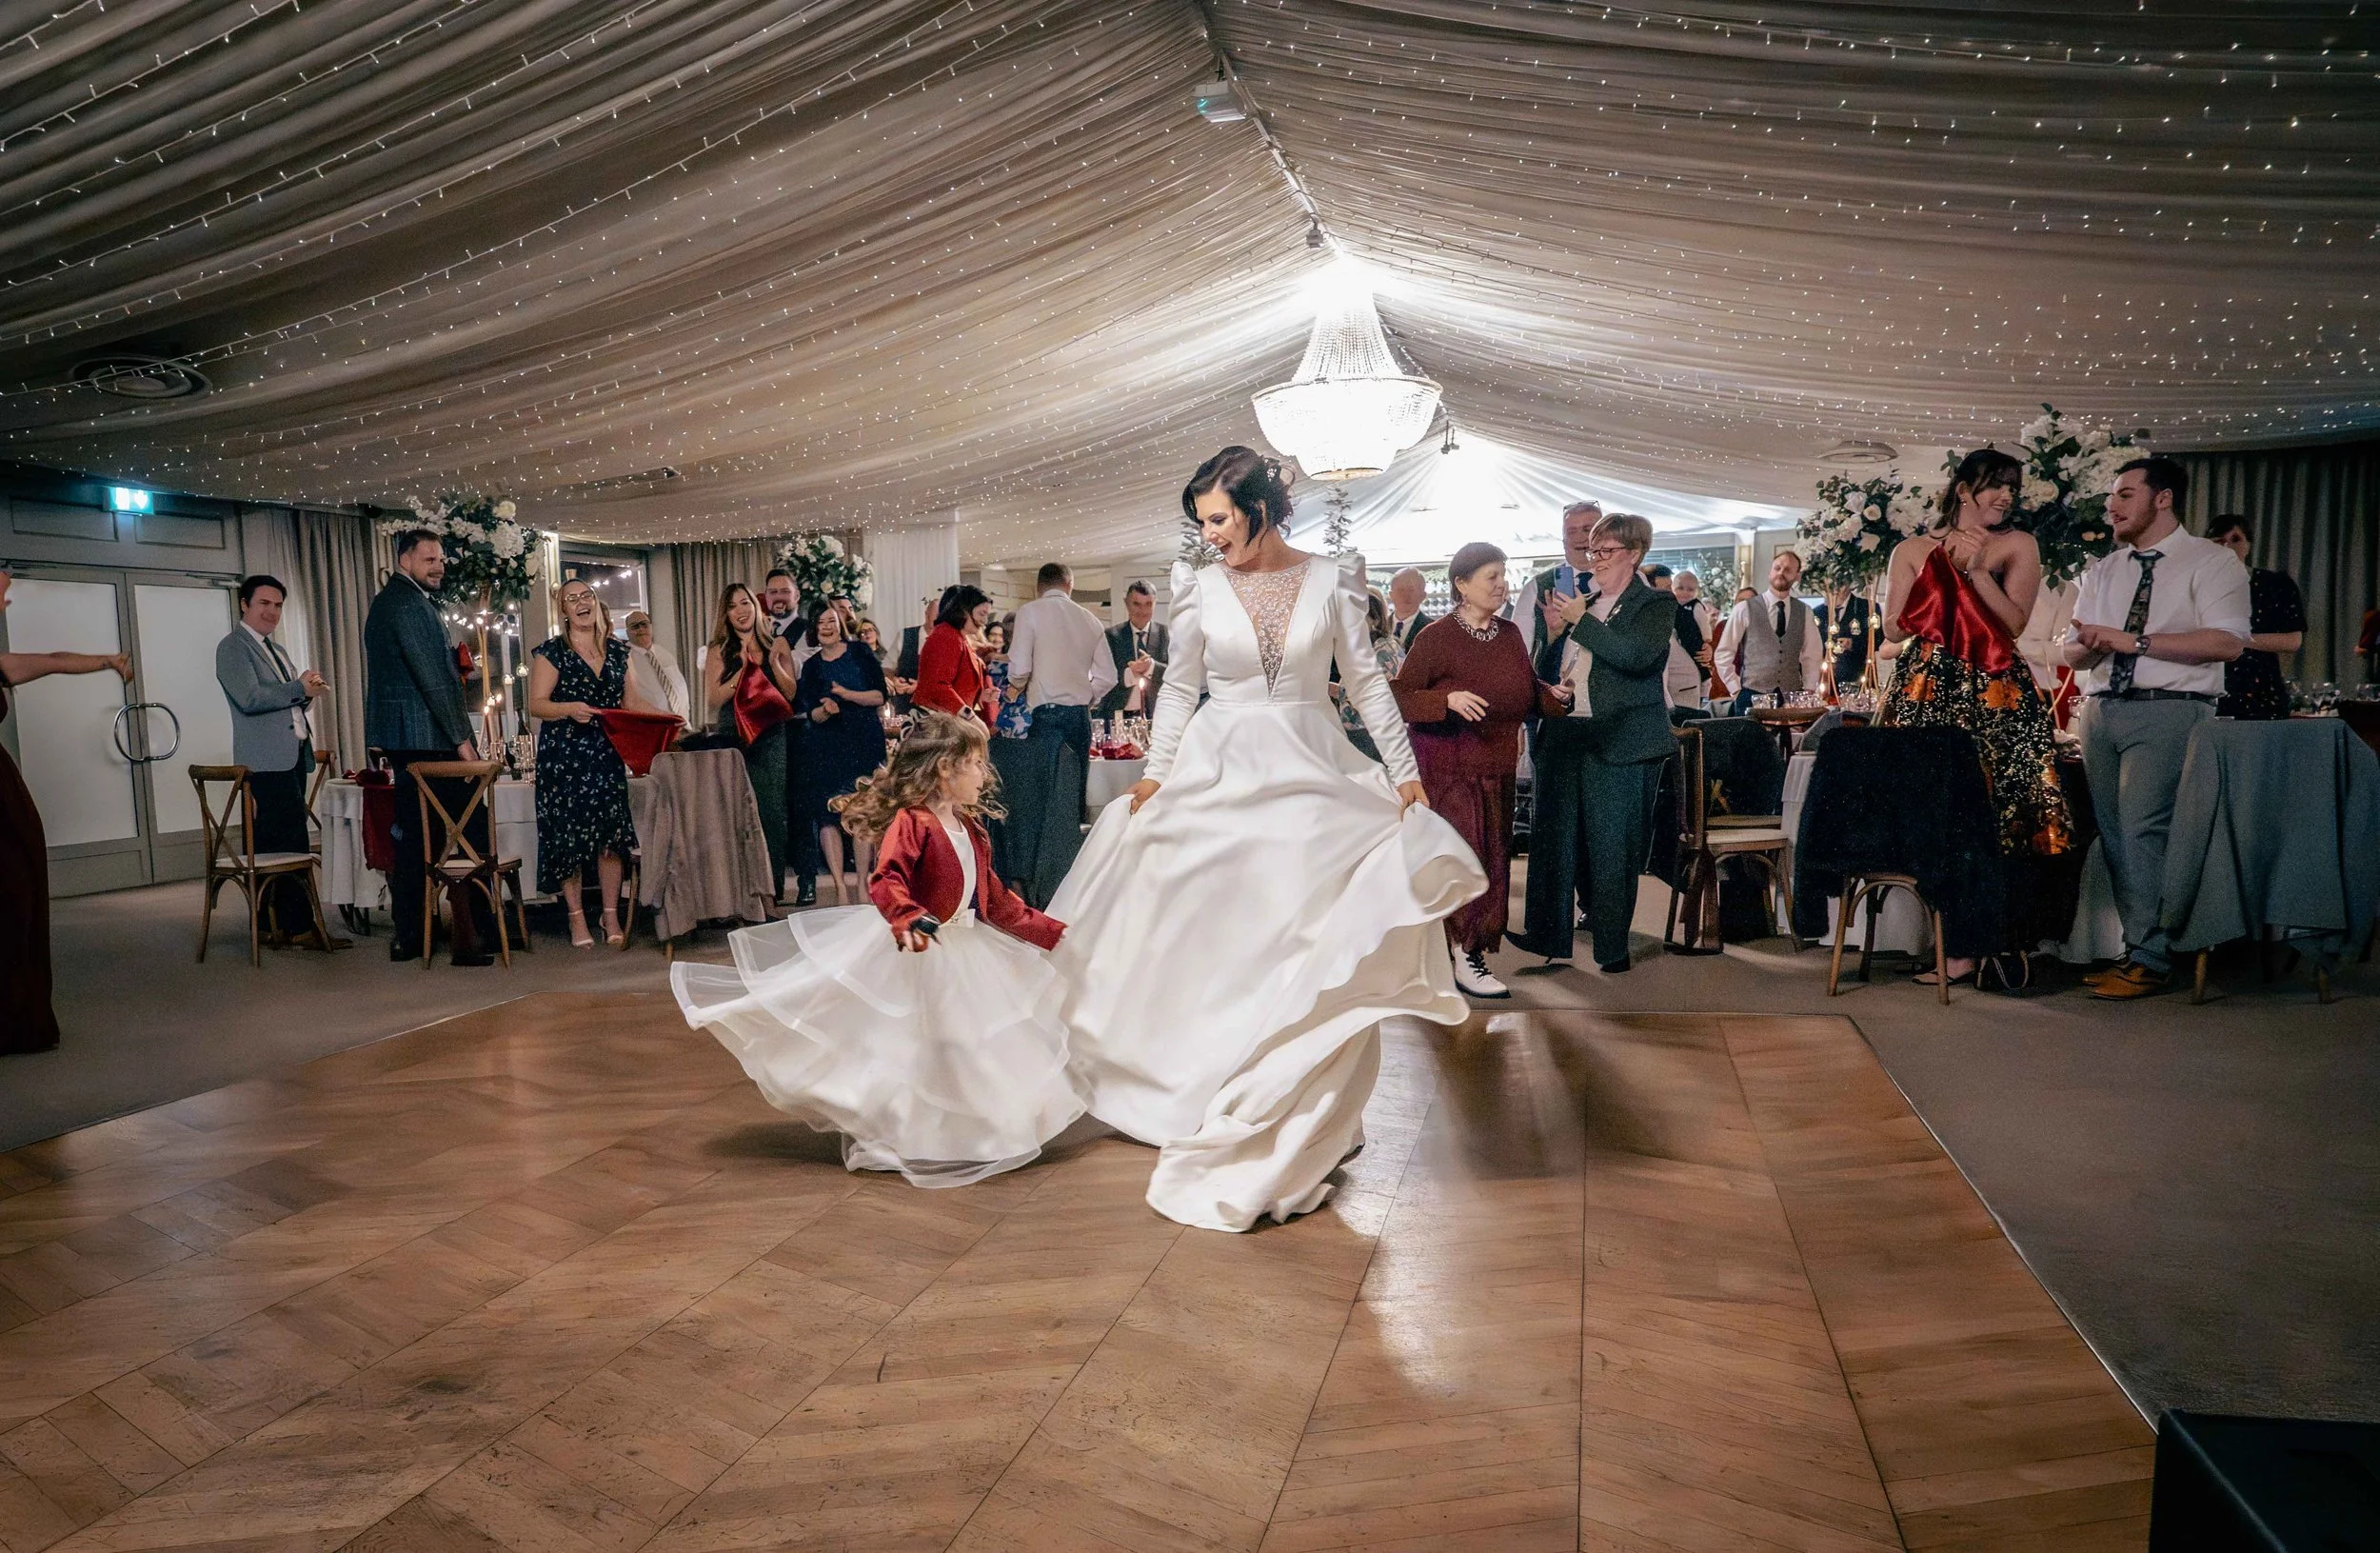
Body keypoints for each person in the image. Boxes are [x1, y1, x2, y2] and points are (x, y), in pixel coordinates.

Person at [1051, 446, 1486, 1232]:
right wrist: (1155, 774)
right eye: (1200, 522)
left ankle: (1298, 1101)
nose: (1209, 533)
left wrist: (1402, 774)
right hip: (1218, 768)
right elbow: (1180, 688)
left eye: (1217, 518)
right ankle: (1194, 1085)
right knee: (1215, 935)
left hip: (1313, 770)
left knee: (1299, 937)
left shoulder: (1331, 578)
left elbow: (1363, 684)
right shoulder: (1197, 587)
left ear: (1259, 507)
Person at [671, 712, 1081, 1186]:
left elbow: (997, 902)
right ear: (944, 768)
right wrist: (907, 917)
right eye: (974, 764)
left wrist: (1052, 932)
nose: (983, 775)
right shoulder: (914, 823)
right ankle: (906, 1133)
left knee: (964, 1046)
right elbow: (887, 880)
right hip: (922, 948)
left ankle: (973, 1132)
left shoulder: (971, 829)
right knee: (921, 1045)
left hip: (965, 950)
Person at [1875, 448, 2076, 990]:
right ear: (1964, 489)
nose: (2006, 496)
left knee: (1995, 816)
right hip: (1926, 686)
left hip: (1996, 690)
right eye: (1995, 485)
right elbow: (1894, 630)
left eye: (2012, 487)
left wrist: (1977, 573)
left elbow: (2012, 623)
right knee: (1934, 815)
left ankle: (1983, 943)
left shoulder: (2018, 545)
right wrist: (1935, 574)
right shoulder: (1912, 549)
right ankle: (1948, 941)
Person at [2064, 457, 2250, 999]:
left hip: (2170, 707)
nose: (2112, 507)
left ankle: (2154, 956)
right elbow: (2077, 651)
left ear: (2162, 498)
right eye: (2111, 498)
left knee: (2147, 829)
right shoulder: (2105, 569)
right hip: (2101, 709)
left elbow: (2228, 642)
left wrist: (2134, 642)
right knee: (2118, 835)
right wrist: (2082, 645)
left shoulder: (2211, 563)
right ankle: (2138, 948)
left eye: (2124, 495)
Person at [1393, 542, 1571, 998]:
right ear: (1461, 585)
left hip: (1497, 768)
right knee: (1463, 859)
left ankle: (1466, 952)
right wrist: (1445, 700)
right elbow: (1397, 696)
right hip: (1449, 768)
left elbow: (1525, 690)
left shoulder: (1510, 634)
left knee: (1492, 861)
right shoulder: (1434, 638)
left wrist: (1554, 697)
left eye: (1503, 574)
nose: (1501, 584)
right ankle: (1463, 955)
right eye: (1491, 576)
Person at [1509, 513, 1677, 973]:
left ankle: (1611, 947)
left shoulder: (1655, 606)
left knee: (1611, 847)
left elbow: (1637, 659)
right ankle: (1545, 934)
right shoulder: (1582, 604)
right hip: (1565, 732)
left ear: (1635, 554)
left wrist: (1581, 624)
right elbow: (1544, 671)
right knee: (1554, 841)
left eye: (1605, 551)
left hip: (1622, 740)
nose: (1595, 560)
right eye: (1592, 551)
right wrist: (1556, 642)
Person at [2, 564, 133, 1054]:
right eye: (4, 592)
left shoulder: (0, 662)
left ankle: (16, 1018)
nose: (7, 601)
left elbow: (55, 659)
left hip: (4, 796)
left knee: (19, 898)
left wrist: (105, 661)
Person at [365, 528, 496, 964]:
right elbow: (434, 680)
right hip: (429, 739)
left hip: (405, 738)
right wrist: (463, 740)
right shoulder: (410, 605)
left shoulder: (388, 603)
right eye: (429, 559)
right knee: (469, 831)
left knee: (416, 838)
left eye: (441, 559)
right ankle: (473, 936)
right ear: (405, 561)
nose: (439, 566)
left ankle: (413, 935)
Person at [215, 574, 343, 948]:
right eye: (264, 604)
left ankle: (276, 924)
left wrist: (306, 692)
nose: (272, 612)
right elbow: (250, 698)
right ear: (244, 604)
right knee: (287, 844)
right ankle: (297, 925)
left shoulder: (278, 650)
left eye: (278, 605)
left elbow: (285, 701)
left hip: (290, 755)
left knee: (284, 842)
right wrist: (296, 689)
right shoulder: (233, 647)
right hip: (264, 760)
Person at [528, 578, 641, 947]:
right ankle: (576, 918)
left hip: (606, 754)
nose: (580, 602)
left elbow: (633, 704)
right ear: (563, 611)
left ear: (595, 603)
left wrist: (672, 723)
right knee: (569, 840)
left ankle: (610, 915)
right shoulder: (552, 652)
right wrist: (568, 709)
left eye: (586, 596)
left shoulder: (619, 651)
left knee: (610, 837)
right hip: (563, 757)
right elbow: (537, 704)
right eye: (571, 599)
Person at [705, 582, 803, 906]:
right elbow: (713, 698)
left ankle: (770, 891)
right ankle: (736, 892)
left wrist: (772, 664)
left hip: (770, 735)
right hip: (731, 735)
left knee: (770, 812)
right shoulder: (718, 650)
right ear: (726, 614)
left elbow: (790, 694)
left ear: (755, 605)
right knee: (733, 812)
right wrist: (742, 673)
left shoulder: (777, 644)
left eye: (745, 602)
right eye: (733, 606)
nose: (741, 610)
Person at [796, 604, 892, 903]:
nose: (827, 626)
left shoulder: (861, 653)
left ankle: (862, 883)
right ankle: (839, 886)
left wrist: (846, 695)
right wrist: (826, 709)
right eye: (821, 622)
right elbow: (810, 714)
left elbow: (880, 695)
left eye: (832, 620)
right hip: (826, 747)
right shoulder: (811, 667)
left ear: (841, 624)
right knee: (827, 817)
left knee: (862, 813)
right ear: (814, 628)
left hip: (864, 743)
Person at [1008, 564, 1118, 752]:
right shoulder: (1091, 619)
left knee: (1046, 780)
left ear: (1038, 587)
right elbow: (1108, 677)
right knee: (1078, 778)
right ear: (1070, 585)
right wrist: (1085, 695)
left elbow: (1020, 669)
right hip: (1080, 717)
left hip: (1046, 714)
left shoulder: (1029, 612)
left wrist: (1016, 686)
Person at [761, 568, 821, 906]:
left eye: (784, 591)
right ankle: (773, 884)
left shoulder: (808, 633)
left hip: (799, 727)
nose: (778, 597)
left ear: (797, 596)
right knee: (771, 807)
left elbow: (804, 671)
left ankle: (808, 879)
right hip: (766, 729)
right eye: (772, 592)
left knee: (801, 806)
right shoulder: (758, 631)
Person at [2209, 516, 2305, 721]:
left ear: (2248, 545)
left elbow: (2292, 640)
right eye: (2219, 541)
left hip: (2260, 689)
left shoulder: (2274, 584)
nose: (2227, 546)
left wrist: (2237, 640)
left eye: (2236, 540)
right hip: (2207, 689)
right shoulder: (2196, 586)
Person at [1715, 548, 1824, 712]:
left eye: (1788, 570)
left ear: (1796, 576)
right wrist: (1736, 689)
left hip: (1791, 696)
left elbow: (1812, 655)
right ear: (1770, 571)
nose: (1781, 573)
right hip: (1751, 694)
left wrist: (1808, 689)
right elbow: (1724, 652)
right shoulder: (1745, 608)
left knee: (1790, 738)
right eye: (1777, 567)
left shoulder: (1805, 611)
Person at [1514, 501, 1601, 677]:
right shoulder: (1537, 586)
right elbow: (1519, 654)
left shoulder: (1623, 580)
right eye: (1571, 531)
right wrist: (1550, 633)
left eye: (1587, 529)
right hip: (1555, 693)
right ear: (1563, 540)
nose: (1580, 537)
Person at [1332, 590, 1402, 761]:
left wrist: (1335, 690)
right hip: (1364, 735)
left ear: (1374, 619)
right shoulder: (1367, 649)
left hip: (1373, 737)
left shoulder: (1383, 651)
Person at [912, 585, 995, 719]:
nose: (985, 621)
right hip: (941, 722)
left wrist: (980, 695)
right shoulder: (946, 636)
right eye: (981, 614)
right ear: (964, 610)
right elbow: (938, 687)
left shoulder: (958, 637)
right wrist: (969, 716)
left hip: (949, 720)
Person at [1100, 580, 1169, 717]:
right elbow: (1103, 676)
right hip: (1120, 715)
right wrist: (1130, 674)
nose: (1142, 611)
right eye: (1137, 604)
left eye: (1148, 604)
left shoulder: (1167, 634)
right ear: (1126, 603)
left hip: (1157, 716)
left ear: (1155, 603)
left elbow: (1177, 674)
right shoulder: (1111, 636)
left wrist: (1151, 667)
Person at [1641, 564, 1706, 709]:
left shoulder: (1672, 612)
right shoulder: (1648, 623)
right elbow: (1660, 673)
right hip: (1674, 701)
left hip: (1686, 694)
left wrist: (1706, 647)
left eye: (1671, 587)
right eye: (1665, 588)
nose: (1671, 593)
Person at [623, 608, 690, 725]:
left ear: (651, 627)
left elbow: (679, 686)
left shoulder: (664, 654)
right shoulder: (624, 657)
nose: (641, 629)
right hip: (649, 726)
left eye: (644, 624)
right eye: (635, 626)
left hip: (680, 723)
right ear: (627, 632)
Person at [1815, 583, 1874, 693]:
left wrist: (1853, 644)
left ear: (1850, 586)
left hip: (1858, 681)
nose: (1835, 591)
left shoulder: (1867, 608)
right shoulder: (1817, 613)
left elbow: (1877, 640)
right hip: (1826, 683)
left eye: (1840, 585)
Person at [982, 618, 1031, 738]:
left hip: (1008, 723)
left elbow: (1013, 698)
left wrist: (998, 725)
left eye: (1001, 635)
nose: (997, 639)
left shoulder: (1007, 665)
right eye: (993, 634)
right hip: (984, 718)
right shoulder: (979, 660)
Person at [1385, 567, 1434, 656]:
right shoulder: (1379, 627)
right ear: (1391, 595)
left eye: (1411, 590)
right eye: (1400, 590)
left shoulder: (1433, 630)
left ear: (1423, 595)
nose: (1405, 595)